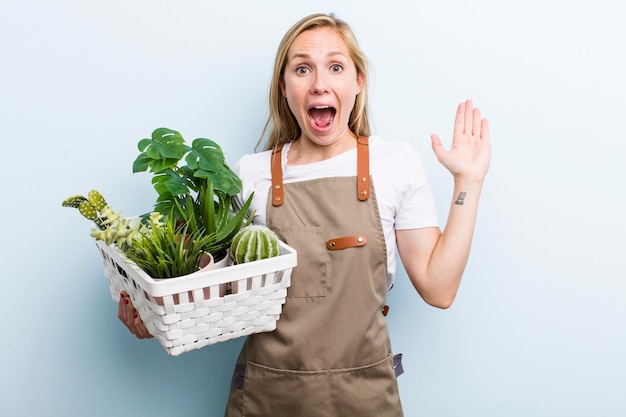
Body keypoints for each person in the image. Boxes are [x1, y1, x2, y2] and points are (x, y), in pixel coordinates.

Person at [119, 12, 491, 416]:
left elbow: (439, 289)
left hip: (363, 398)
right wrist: (156, 317)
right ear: (284, 86)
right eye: (302, 69)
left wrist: (468, 182)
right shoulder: (249, 175)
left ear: (357, 82)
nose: (319, 83)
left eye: (335, 67)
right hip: (265, 396)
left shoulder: (394, 164)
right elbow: (214, 287)